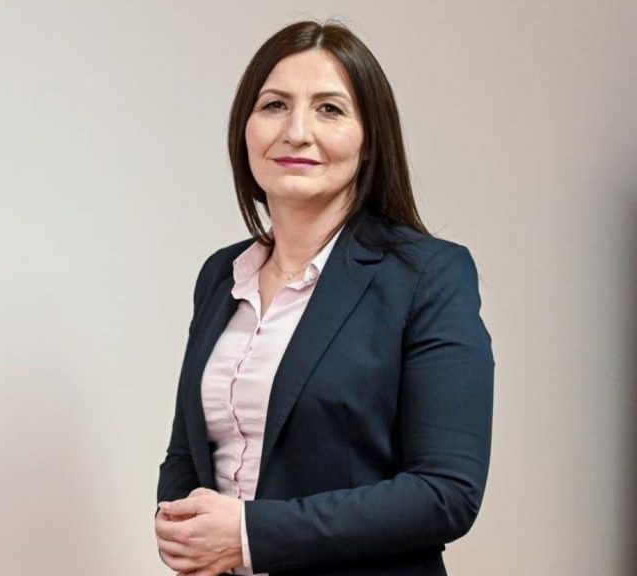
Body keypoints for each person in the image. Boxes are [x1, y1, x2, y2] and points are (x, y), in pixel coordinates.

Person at [154, 20, 494, 576]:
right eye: (274, 105)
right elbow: (189, 451)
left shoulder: (428, 275)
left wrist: (248, 535)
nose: (296, 132)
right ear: (244, 129)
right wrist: (180, 524)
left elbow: (445, 492)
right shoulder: (221, 275)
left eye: (330, 109)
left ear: (369, 140)